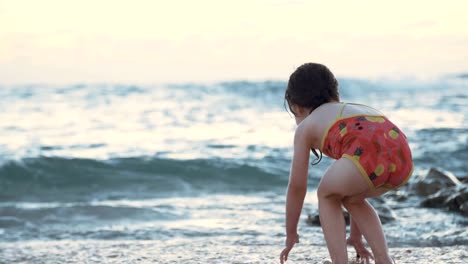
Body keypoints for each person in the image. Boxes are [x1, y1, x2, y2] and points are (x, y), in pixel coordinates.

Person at [279, 63, 413, 264]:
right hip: (402, 157)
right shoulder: (351, 110)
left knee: (326, 194)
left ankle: (339, 261)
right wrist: (356, 236)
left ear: (296, 106)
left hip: (368, 155)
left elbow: (297, 186)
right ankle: (384, 259)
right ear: (335, 93)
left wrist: (291, 233)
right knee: (352, 198)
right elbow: (359, 178)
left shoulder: (306, 126)